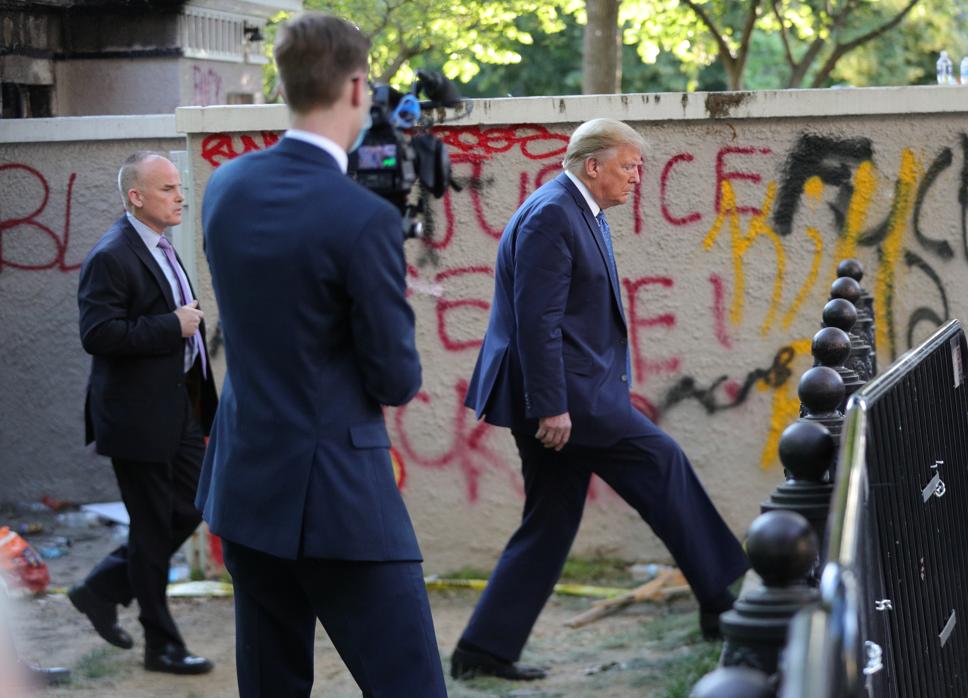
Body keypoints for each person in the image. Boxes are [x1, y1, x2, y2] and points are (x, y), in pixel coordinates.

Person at [196, 12, 445, 697]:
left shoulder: (225, 186)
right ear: (359, 87)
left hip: (246, 486)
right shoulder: (363, 218)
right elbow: (396, 379)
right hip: (341, 500)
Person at [449, 118, 750, 681]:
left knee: (550, 521)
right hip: (567, 398)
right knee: (661, 463)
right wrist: (551, 405)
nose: (639, 176)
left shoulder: (574, 209)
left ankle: (483, 650)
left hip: (570, 391)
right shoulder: (552, 215)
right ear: (593, 165)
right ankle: (723, 601)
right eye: (629, 165)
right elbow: (537, 322)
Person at [73, 151, 218, 676]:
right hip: (136, 417)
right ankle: (161, 644)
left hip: (179, 406)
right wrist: (171, 325)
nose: (180, 196)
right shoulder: (112, 254)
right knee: (154, 527)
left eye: (178, 188)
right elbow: (98, 334)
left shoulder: (159, 245)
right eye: (167, 189)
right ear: (136, 196)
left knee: (197, 502)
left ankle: (103, 587)